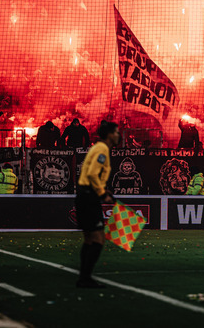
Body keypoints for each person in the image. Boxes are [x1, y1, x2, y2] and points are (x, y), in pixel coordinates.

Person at [75, 120, 121, 289]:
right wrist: (102, 194)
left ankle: (83, 278)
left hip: (85, 194)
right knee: (98, 239)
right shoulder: (102, 149)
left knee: (89, 239)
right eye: (116, 132)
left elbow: (91, 174)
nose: (118, 135)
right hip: (89, 197)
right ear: (109, 135)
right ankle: (85, 278)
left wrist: (102, 190)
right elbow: (93, 174)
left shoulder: (98, 148)